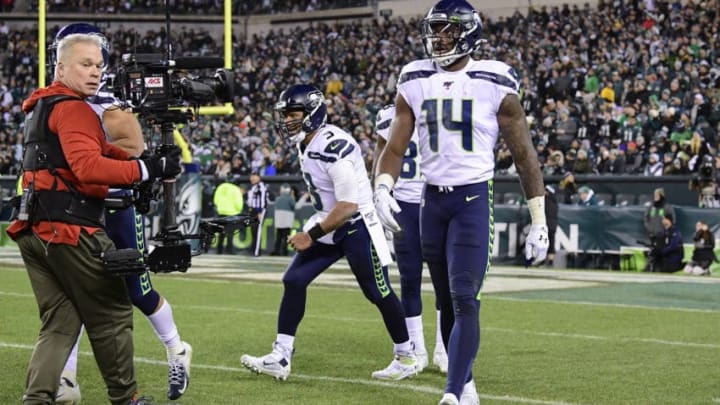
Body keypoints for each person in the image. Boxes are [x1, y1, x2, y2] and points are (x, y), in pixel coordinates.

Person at [373, 1, 549, 404]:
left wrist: (538, 218)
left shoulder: (495, 78)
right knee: (447, 300)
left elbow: (524, 155)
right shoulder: (414, 77)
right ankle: (466, 385)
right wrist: (382, 186)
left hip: (472, 199)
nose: (439, 38)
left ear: (467, 33)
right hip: (429, 201)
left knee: (466, 295)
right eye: (435, 30)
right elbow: (396, 146)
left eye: (447, 30)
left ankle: (452, 392)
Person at [8, 30, 180, 405]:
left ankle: (36, 399)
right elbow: (87, 167)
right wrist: (144, 172)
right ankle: (127, 399)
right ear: (61, 67)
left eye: (99, 65)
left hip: (36, 230)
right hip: (70, 228)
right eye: (85, 64)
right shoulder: (74, 108)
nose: (95, 72)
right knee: (113, 312)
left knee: (61, 322)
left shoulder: (44, 105)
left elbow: (101, 150)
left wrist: (144, 164)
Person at [241, 84, 418, 382]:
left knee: (377, 291)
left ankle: (406, 355)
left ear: (312, 113)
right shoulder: (307, 141)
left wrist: (310, 235)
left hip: (356, 225)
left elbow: (348, 205)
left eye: (293, 114)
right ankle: (281, 355)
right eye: (284, 115)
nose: (286, 121)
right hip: (329, 220)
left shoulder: (332, 145)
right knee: (294, 280)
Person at [372, 104, 448, 373]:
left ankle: (444, 348)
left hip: (434, 200)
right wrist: (378, 196)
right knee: (410, 279)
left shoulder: (436, 107)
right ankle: (417, 348)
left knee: (443, 280)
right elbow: (381, 159)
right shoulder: (390, 116)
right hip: (403, 202)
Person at [213, 175, 244, 254]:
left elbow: (215, 200)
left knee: (221, 233)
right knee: (230, 234)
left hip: (221, 212)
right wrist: (238, 210)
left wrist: (220, 207)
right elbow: (239, 202)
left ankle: (219, 250)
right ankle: (229, 250)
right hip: (232, 213)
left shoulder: (220, 187)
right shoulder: (236, 189)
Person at [246, 171, 268, 256]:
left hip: (258, 210)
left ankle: (256, 251)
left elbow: (263, 200)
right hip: (252, 210)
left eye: (254, 176)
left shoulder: (261, 186)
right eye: (251, 176)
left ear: (259, 177)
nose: (252, 178)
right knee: (253, 230)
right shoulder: (253, 187)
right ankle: (253, 249)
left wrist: (260, 212)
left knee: (257, 230)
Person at [271, 183, 296, 256]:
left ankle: (276, 251)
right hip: (287, 221)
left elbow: (275, 208)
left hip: (279, 221)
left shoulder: (277, 198)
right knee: (285, 238)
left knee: (278, 237)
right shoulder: (290, 198)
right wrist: (293, 197)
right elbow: (294, 206)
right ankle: (284, 252)